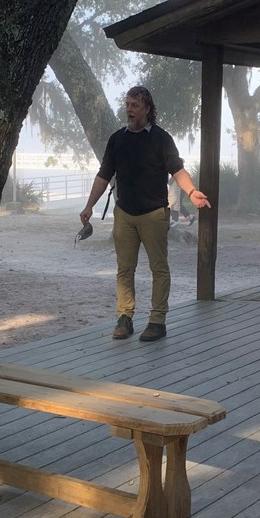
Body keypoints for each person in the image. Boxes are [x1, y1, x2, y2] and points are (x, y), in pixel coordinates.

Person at [78, 86, 210, 342]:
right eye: (127, 104)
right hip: (124, 214)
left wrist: (192, 191)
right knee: (124, 269)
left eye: (134, 105)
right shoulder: (117, 139)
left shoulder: (161, 139)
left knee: (158, 268)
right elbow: (103, 175)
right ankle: (124, 319)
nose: (129, 109)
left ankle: (157, 322)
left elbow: (177, 170)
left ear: (147, 109)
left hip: (154, 214)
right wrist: (88, 206)